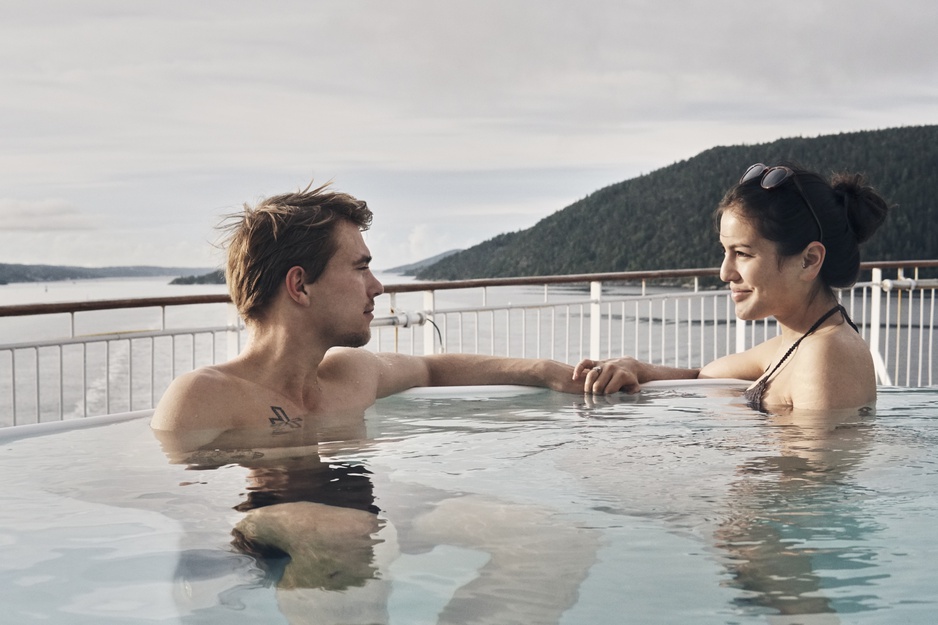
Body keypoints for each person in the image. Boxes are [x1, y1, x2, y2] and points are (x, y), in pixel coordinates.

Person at [151, 181, 582, 433]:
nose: (376, 287)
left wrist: (545, 371)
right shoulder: (204, 398)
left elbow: (433, 370)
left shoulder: (351, 374)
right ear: (300, 285)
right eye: (361, 269)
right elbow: (193, 533)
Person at [574, 163, 890, 412]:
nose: (726, 272)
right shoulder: (794, 344)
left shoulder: (825, 356)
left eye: (742, 253)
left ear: (808, 260)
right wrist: (635, 367)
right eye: (725, 252)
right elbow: (704, 378)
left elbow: (811, 488)